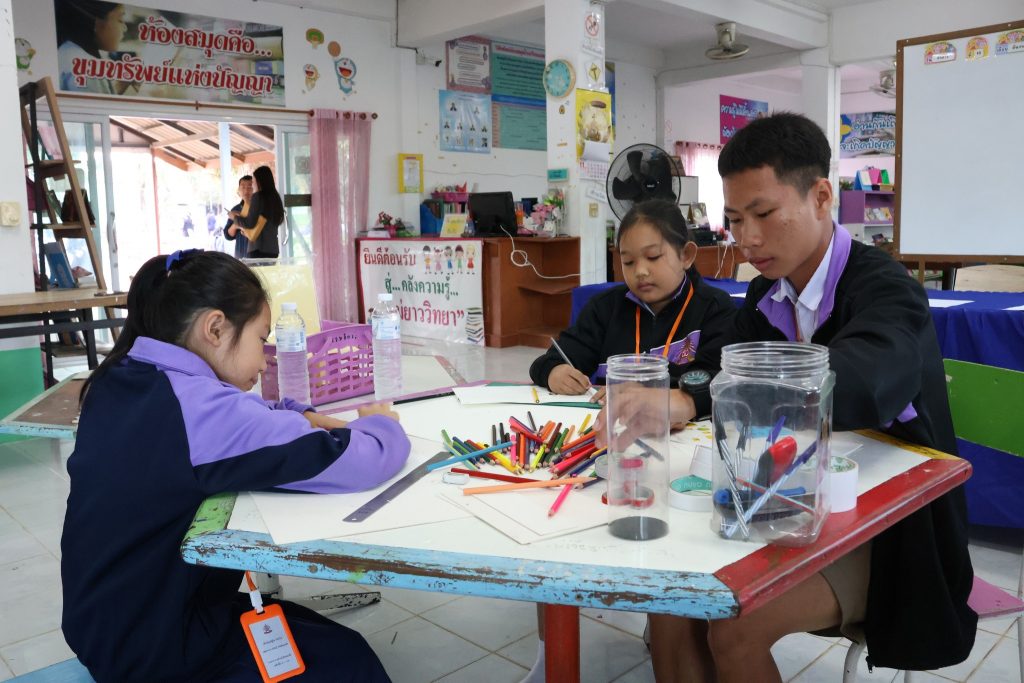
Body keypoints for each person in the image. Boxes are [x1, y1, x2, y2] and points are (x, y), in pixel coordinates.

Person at [601, 112, 975, 681]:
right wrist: (681, 400)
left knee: (735, 626)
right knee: (672, 593)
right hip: (784, 500)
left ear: (821, 197)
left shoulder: (887, 290)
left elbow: (863, 380)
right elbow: (721, 365)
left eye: (764, 214)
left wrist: (742, 388)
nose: (748, 238)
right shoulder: (766, 294)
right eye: (734, 220)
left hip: (889, 533)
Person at [61, 250, 408, 682]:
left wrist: (298, 414)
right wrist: (383, 424)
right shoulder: (200, 412)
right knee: (352, 663)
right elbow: (364, 460)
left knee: (328, 642)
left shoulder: (123, 377)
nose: (264, 361)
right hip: (162, 647)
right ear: (215, 328)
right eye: (261, 340)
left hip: (112, 623)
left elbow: (240, 416)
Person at [529, 199, 736, 416]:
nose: (640, 271)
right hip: (612, 427)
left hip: (680, 430)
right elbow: (551, 359)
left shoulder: (713, 307)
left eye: (653, 257)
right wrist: (554, 371)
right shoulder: (604, 308)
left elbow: (720, 379)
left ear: (686, 255)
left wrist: (650, 391)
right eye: (628, 262)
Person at [56, 1, 128, 95]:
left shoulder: (67, 49)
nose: (125, 28)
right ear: (97, 23)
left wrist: (121, 87)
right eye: (120, 20)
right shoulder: (88, 68)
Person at [230, 165, 284, 259]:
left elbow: (249, 224)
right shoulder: (275, 197)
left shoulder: (258, 197)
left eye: (253, 182)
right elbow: (278, 220)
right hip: (273, 249)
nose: (253, 185)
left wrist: (234, 217)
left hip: (258, 249)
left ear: (259, 181)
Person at [223, 175, 254, 258]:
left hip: (256, 255)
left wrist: (239, 221)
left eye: (250, 187)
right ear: (239, 190)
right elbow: (228, 235)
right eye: (243, 187)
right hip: (240, 254)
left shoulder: (259, 207)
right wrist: (235, 225)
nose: (246, 190)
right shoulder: (236, 209)